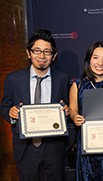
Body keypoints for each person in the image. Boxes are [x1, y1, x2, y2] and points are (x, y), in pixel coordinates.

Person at [0, 29, 70, 181]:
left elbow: (67, 106)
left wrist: (67, 111)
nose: (42, 56)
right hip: (26, 148)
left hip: (53, 148)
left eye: (47, 51)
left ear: (54, 56)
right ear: (28, 53)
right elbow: (4, 106)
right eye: (37, 50)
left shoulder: (63, 79)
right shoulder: (14, 79)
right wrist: (10, 113)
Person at [69, 41, 103, 180]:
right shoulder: (79, 85)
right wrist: (75, 117)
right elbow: (72, 109)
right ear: (89, 60)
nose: (100, 63)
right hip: (88, 145)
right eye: (96, 57)